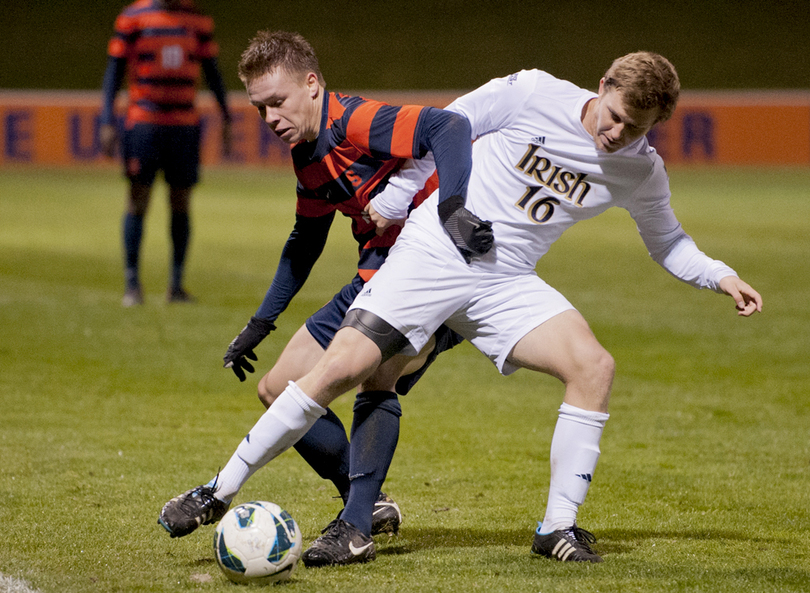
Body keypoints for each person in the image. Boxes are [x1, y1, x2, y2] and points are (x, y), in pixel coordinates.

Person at [161, 51, 763, 565]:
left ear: (656, 122)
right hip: (435, 250)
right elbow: (445, 128)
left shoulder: (640, 170)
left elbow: (668, 242)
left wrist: (721, 276)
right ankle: (220, 489)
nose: (616, 134)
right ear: (601, 87)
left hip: (506, 279)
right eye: (613, 117)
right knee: (339, 370)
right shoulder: (533, 92)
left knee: (593, 367)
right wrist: (399, 201)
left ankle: (555, 527)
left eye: (635, 127)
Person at [157, 31, 492, 564]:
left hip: (435, 275)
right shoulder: (307, 155)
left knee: (375, 378)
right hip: (374, 275)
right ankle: (368, 500)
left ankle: (353, 525)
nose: (269, 117)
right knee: (276, 386)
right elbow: (305, 240)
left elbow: (448, 126)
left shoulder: (353, 121)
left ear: (312, 85)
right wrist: (261, 322)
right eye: (259, 107)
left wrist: (452, 208)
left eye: (277, 101)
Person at [100, 0, 232, 306]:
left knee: (181, 201)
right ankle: (132, 284)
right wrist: (107, 120)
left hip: (184, 124)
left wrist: (225, 117)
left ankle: (176, 285)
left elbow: (212, 72)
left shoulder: (198, 19)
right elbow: (113, 72)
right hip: (144, 123)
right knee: (137, 199)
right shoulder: (133, 17)